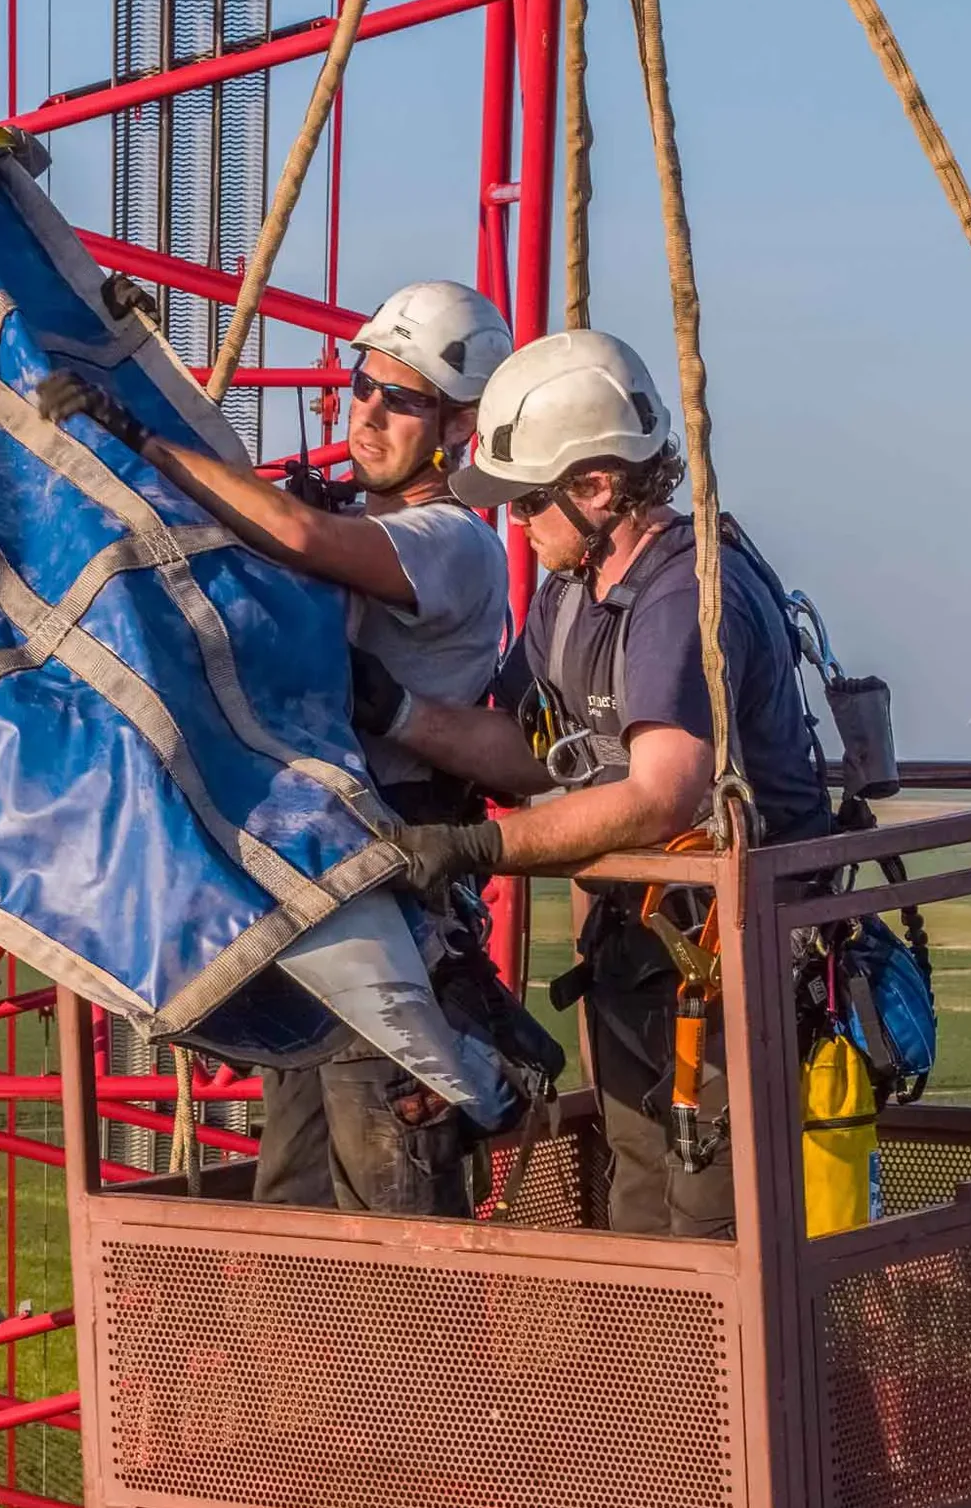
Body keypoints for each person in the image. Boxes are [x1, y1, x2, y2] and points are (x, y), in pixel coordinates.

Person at [37, 280, 517, 1218]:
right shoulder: (370, 525)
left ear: (459, 426)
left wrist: (140, 434)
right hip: (319, 888)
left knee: (397, 1216)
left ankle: (426, 1371)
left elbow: (297, 534)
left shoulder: (456, 543)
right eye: (364, 385)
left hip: (392, 901)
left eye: (403, 399)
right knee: (293, 1202)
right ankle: (307, 1366)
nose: (368, 412)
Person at [349, 329, 830, 1238]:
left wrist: (473, 847)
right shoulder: (572, 589)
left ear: (599, 487)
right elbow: (529, 748)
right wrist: (396, 712)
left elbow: (662, 795)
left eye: (529, 502)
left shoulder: (684, 594)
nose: (518, 527)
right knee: (640, 1201)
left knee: (714, 1223)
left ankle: (742, 1385)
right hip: (644, 950)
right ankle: (670, 1382)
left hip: (740, 961)